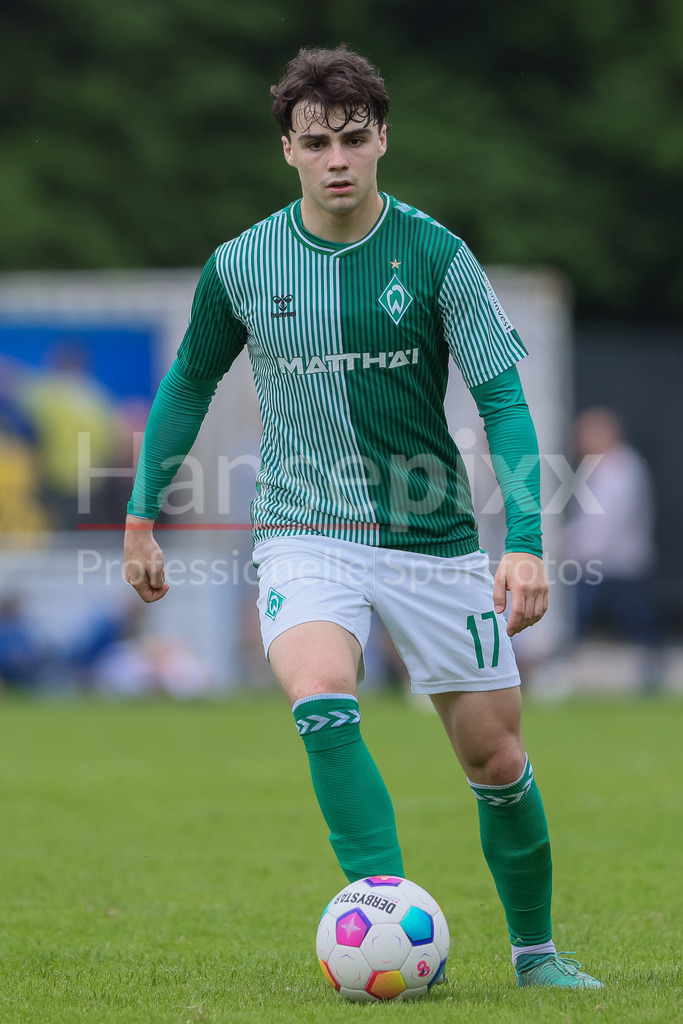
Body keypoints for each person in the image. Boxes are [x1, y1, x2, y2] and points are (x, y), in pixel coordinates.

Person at [123, 46, 602, 989]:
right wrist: (142, 515)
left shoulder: (436, 256)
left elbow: (502, 401)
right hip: (304, 528)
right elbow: (185, 387)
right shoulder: (243, 264)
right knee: (319, 693)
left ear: (381, 138)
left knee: (497, 758)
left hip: (432, 539)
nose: (336, 156)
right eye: (315, 142)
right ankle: (383, 912)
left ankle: (537, 955)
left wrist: (528, 545)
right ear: (288, 153)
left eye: (352, 137)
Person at [566, 406, 663, 693]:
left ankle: (652, 671)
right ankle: (560, 666)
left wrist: (575, 550)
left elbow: (605, 521)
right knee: (627, 617)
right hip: (603, 560)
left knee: (632, 618)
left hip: (616, 561)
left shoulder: (621, 468)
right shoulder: (599, 467)